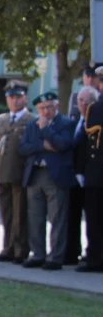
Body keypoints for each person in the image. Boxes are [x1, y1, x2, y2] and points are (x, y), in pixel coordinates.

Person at [19, 91, 77, 270]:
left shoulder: (66, 123)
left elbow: (63, 145)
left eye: (49, 107)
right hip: (35, 174)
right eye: (41, 108)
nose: (45, 111)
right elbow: (23, 147)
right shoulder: (31, 125)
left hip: (56, 176)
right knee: (35, 217)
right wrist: (43, 146)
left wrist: (45, 129)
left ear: (56, 106)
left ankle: (55, 257)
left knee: (57, 218)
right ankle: (38, 254)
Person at [0, 80, 34, 263]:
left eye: (18, 97)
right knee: (6, 214)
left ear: (25, 98)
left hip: (20, 174)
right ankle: (7, 248)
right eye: (11, 97)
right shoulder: (0, 120)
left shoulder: (31, 121)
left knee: (20, 215)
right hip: (1, 174)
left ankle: (20, 249)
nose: (14, 101)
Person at [67, 87, 99, 264]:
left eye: (88, 101)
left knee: (93, 220)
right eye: (80, 100)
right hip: (72, 179)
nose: (83, 104)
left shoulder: (95, 122)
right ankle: (71, 253)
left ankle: (92, 254)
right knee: (71, 218)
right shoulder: (73, 122)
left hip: (91, 179)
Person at [75, 86, 103, 272]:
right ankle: (94, 257)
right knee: (94, 220)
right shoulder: (96, 108)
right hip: (96, 174)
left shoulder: (97, 108)